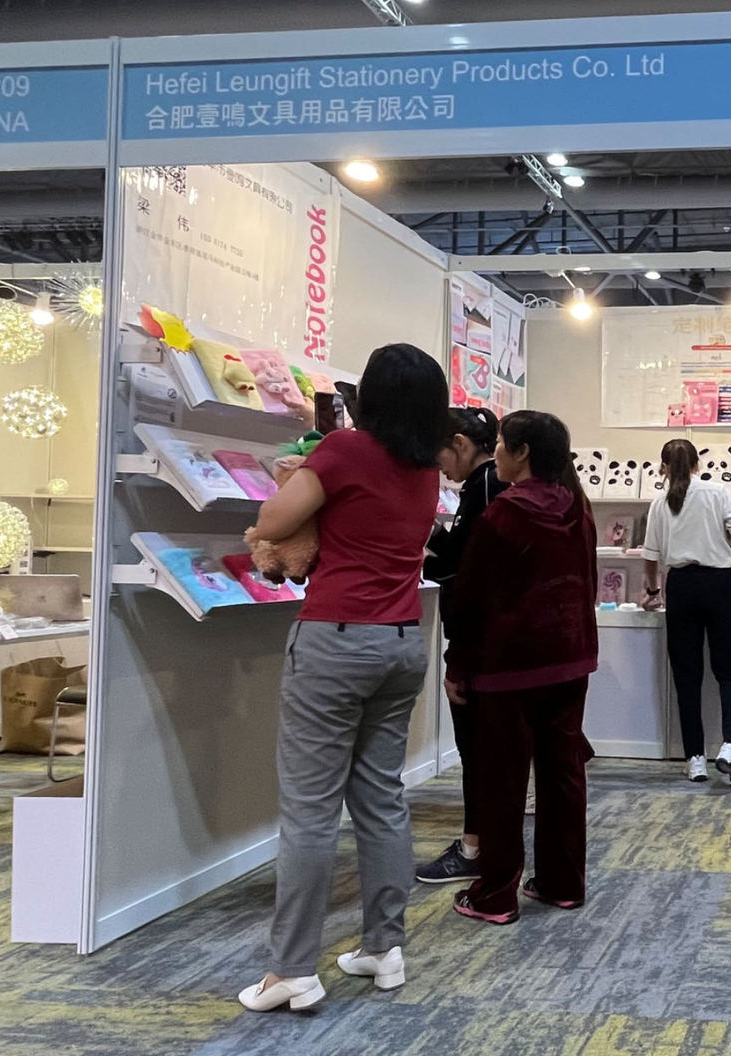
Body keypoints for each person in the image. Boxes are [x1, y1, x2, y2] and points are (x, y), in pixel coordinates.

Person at [238, 344, 446, 1012]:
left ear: (370, 397)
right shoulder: (426, 469)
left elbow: (274, 520)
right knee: (382, 799)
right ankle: (384, 946)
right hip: (401, 642)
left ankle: (293, 970)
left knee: (309, 810)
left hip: (334, 641)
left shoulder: (345, 450)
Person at [444, 409, 599, 923]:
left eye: (501, 444)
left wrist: (457, 664)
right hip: (571, 659)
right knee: (563, 772)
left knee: (501, 781)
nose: (496, 454)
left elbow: (471, 597)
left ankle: (495, 895)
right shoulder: (578, 506)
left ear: (523, 452)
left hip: (509, 666)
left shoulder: (505, 513)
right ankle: (562, 882)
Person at [414, 407, 508, 886]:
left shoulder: (486, 488)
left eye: (441, 454)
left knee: (478, 751)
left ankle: (476, 847)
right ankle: (487, 845)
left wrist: (459, 660)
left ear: (460, 444)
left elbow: (470, 571)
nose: (439, 467)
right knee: (487, 752)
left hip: (481, 644)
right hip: (492, 643)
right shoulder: (486, 487)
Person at [642, 439, 731, 786]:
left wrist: (652, 592)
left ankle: (695, 758)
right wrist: (722, 541)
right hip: (720, 584)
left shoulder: (660, 502)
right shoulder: (717, 492)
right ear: (698, 463)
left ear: (663, 467)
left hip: (681, 587)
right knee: (730, 670)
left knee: (686, 674)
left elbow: (650, 557)